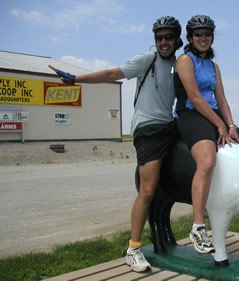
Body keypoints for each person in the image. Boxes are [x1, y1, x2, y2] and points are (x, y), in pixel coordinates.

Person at [49, 16, 183, 273]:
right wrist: (76, 78)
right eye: (159, 37)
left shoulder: (179, 64)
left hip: (170, 125)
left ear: (177, 39)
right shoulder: (147, 59)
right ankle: (133, 248)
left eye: (168, 37)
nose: (163, 42)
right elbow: (112, 73)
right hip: (149, 129)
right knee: (147, 190)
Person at [173, 15, 239, 254]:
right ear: (190, 37)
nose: (203, 38)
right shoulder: (184, 60)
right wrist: (219, 124)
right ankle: (198, 227)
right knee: (207, 162)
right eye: (198, 34)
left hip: (216, 113)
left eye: (207, 34)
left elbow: (221, 98)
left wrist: (230, 125)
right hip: (191, 114)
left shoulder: (213, 66)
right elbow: (196, 98)